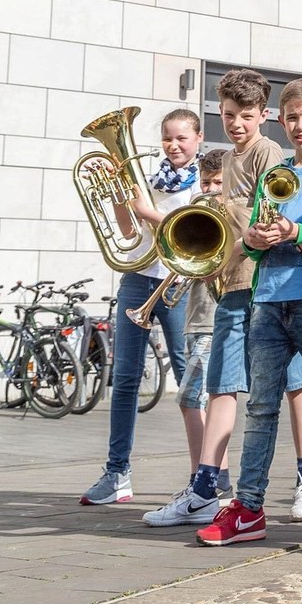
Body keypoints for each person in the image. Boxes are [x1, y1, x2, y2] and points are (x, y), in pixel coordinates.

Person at [196, 77, 302, 546]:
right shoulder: (277, 172)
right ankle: (249, 509)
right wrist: (252, 239)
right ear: (282, 121)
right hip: (267, 299)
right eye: (292, 118)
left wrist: (298, 232)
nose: (300, 125)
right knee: (261, 408)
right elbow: (254, 232)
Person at [166, 69, 302, 529]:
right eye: (230, 115)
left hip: (267, 287)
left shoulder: (268, 151)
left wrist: (221, 251)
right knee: (223, 384)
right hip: (234, 286)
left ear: (264, 116)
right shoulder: (229, 159)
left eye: (246, 116)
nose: (236, 124)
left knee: (296, 382)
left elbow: (268, 222)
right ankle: (205, 489)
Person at [80, 109, 201, 504]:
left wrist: (146, 210)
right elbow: (130, 232)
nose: (174, 145)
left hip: (179, 286)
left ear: (198, 139)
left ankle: (204, 476)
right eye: (168, 138)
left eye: (182, 138)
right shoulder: (148, 179)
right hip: (138, 280)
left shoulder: (205, 183)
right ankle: (117, 473)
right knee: (126, 379)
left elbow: (182, 227)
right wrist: (119, 198)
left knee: (189, 381)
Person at [142, 149, 229, 525]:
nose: (209, 190)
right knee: (200, 400)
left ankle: (205, 484)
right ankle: (213, 482)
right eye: (205, 183)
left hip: (216, 318)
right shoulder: (195, 211)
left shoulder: (232, 214)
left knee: (196, 398)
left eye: (217, 183)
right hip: (195, 318)